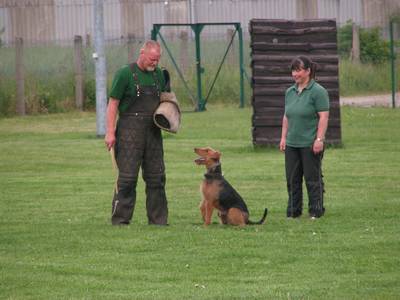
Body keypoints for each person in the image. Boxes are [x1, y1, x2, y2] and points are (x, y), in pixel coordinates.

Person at [105, 40, 169, 225]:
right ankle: (121, 220)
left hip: (153, 132)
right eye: (151, 59)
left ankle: (158, 220)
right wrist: (110, 132)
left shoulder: (159, 75)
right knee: (127, 178)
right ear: (142, 53)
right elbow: (113, 103)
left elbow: (164, 100)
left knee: (156, 177)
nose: (154, 63)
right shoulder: (125, 74)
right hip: (128, 131)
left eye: (157, 60)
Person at [279, 55, 329, 219]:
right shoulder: (289, 92)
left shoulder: (318, 91)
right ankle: (293, 211)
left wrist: (319, 139)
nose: (295, 74)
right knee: (292, 179)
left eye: (298, 70)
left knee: (312, 179)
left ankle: (316, 210)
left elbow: (323, 117)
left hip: (310, 143)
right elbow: (287, 116)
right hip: (292, 143)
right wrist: (283, 138)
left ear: (308, 71)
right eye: (293, 70)